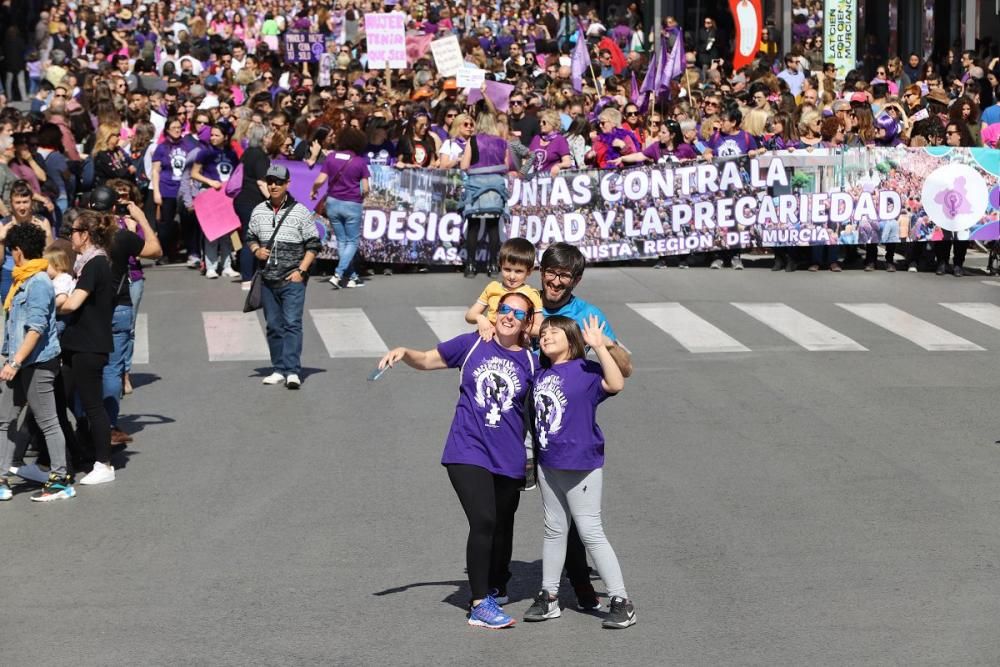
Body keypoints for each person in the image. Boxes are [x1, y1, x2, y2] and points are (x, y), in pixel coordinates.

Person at [377, 291, 539, 629]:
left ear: (527, 323)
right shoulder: (473, 344)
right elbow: (426, 360)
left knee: (501, 526)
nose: (509, 316)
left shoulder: (532, 360)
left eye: (518, 313)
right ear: (495, 313)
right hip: (467, 449)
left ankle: (493, 584)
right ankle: (479, 603)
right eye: (504, 309)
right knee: (483, 520)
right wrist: (405, 352)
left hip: (508, 456)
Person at [522, 314, 635, 629]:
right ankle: (549, 596)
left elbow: (616, 383)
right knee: (554, 529)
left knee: (590, 531)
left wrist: (599, 347)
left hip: (580, 463)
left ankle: (621, 601)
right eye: (543, 333)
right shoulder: (541, 370)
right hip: (549, 462)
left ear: (572, 339)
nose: (546, 336)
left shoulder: (585, 370)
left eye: (554, 331)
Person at [536, 242, 632, 610]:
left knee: (582, 524)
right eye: (552, 273)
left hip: (567, 424)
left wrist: (604, 344)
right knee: (548, 521)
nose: (556, 282)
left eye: (566, 276)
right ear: (541, 271)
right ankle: (510, 584)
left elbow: (623, 370)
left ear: (575, 280)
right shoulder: (527, 301)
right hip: (528, 418)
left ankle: (586, 588)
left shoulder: (588, 315)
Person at [0, 222, 73, 502]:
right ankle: (2, 476)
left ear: (18, 251)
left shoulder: (39, 282)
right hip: (17, 362)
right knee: (4, 420)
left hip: (37, 363)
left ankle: (59, 480)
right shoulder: (23, 279)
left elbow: (36, 328)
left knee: (48, 421)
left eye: (10, 250)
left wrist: (15, 362)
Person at [246, 165, 321, 389]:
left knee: (292, 324)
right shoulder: (259, 210)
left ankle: (292, 371)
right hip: (268, 280)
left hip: (292, 279)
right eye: (270, 181)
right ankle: (278, 368)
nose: (273, 185)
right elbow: (250, 235)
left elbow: (314, 244)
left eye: (278, 182)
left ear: (287, 184)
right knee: (273, 326)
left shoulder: (300, 212)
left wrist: (301, 271)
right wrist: (256, 250)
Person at [58, 209, 117, 485]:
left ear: (86, 235)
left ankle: (104, 463)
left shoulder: (96, 265)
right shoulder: (84, 262)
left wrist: (51, 297)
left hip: (89, 345)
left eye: (74, 231)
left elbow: (71, 303)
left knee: (93, 406)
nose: (71, 236)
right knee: (60, 398)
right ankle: (72, 454)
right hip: (75, 343)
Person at [311, 127, 370, 290]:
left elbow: (320, 180)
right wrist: (363, 195)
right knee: (352, 241)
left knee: (342, 240)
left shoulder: (330, 157)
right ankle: (338, 274)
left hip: (332, 203)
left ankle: (352, 276)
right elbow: (365, 188)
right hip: (352, 204)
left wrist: (313, 190)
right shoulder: (360, 162)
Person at [459, 113, 510, 278]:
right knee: (493, 226)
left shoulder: (472, 141)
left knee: (473, 226)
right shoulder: (502, 142)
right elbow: (506, 165)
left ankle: (471, 265)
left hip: (475, 187)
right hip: (495, 187)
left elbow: (464, 165)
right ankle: (493, 265)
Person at [465, 237, 543, 339]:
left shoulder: (532, 294)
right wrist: (480, 318)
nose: (512, 276)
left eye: (518, 271)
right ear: (500, 266)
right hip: (487, 339)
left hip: (513, 346)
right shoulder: (492, 287)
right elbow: (469, 315)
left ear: (529, 271)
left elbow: (540, 328)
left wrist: (516, 327)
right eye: (507, 269)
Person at [192, 123, 239, 279]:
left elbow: (237, 173)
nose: (213, 138)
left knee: (227, 231)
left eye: (217, 135)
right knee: (211, 232)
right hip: (210, 193)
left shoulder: (232, 154)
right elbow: (194, 173)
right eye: (212, 135)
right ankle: (211, 266)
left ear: (225, 137)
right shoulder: (204, 153)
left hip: (227, 195)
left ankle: (227, 266)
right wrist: (210, 182)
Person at [233, 122, 272, 288]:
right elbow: (262, 182)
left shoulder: (248, 153)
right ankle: (247, 277)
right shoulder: (259, 156)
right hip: (252, 201)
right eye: (269, 136)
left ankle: (253, 274)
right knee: (251, 240)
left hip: (243, 200)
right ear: (263, 138)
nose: (271, 139)